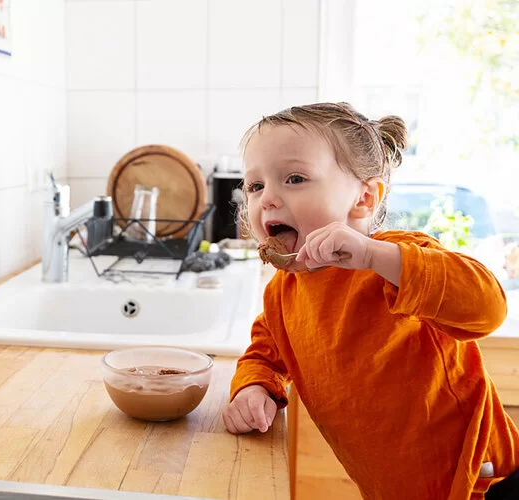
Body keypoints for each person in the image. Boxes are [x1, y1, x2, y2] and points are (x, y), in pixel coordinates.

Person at [222, 102, 519, 499]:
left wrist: (375, 257)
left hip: (481, 480)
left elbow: (488, 308)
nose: (268, 199)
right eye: (255, 187)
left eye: (294, 178)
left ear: (363, 198)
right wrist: (252, 389)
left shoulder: (395, 259)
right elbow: (263, 355)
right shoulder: (282, 293)